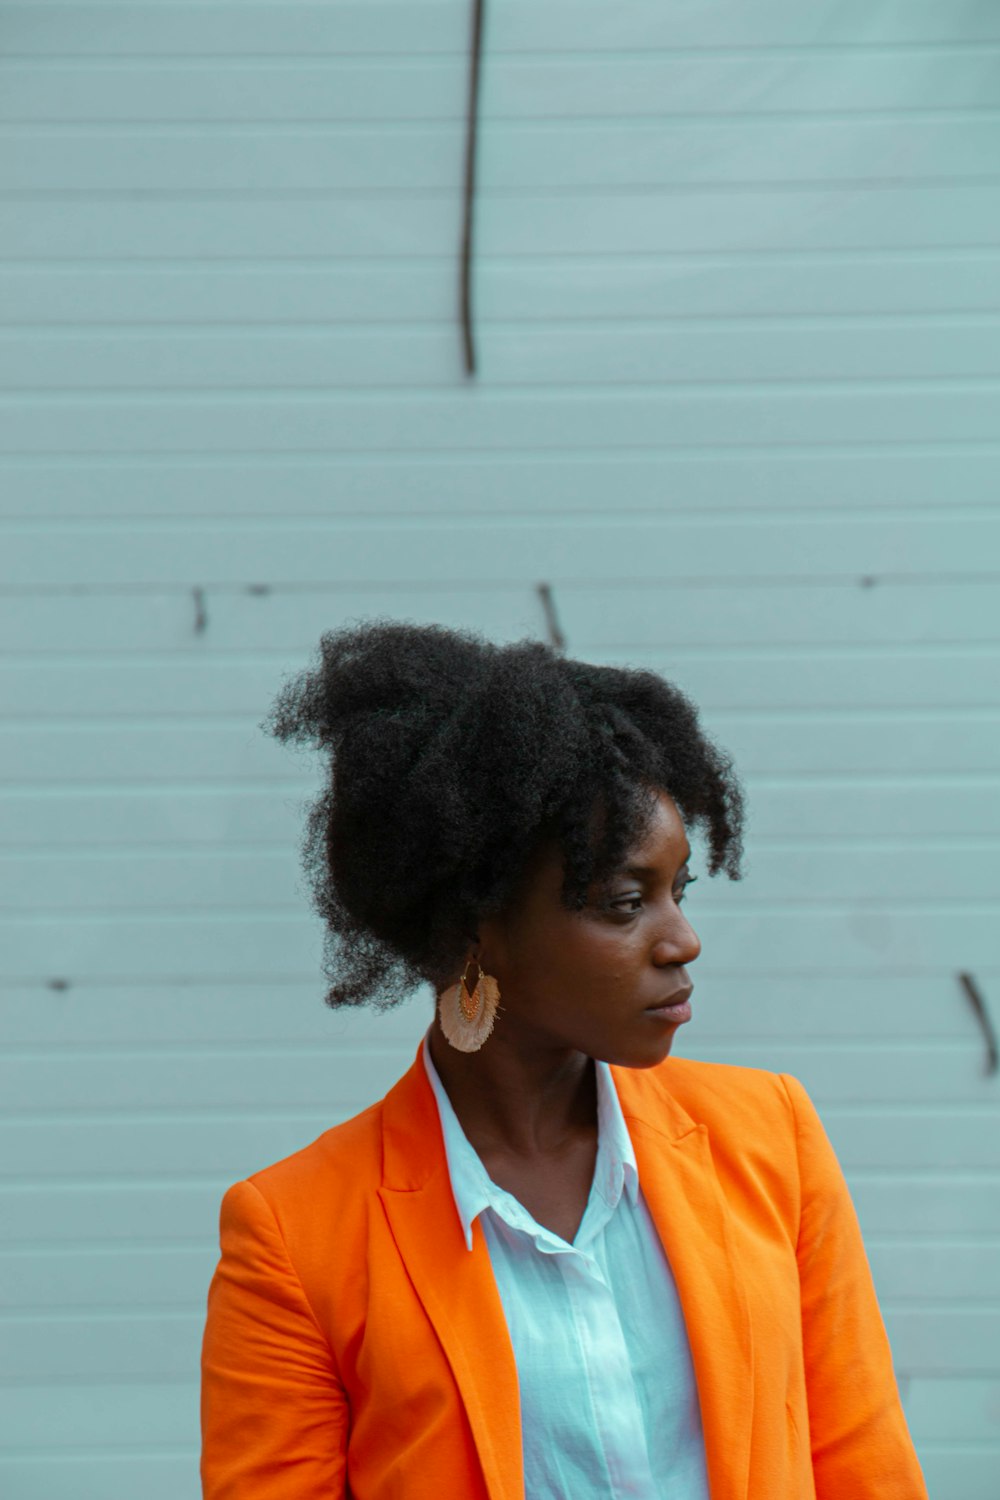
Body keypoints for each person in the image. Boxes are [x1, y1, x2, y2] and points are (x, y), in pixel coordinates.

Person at [200, 621, 928, 1499]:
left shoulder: (773, 1138)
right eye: (625, 902)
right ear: (476, 924)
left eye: (678, 891)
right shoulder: (294, 1238)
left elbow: (864, 1467)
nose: (683, 940)